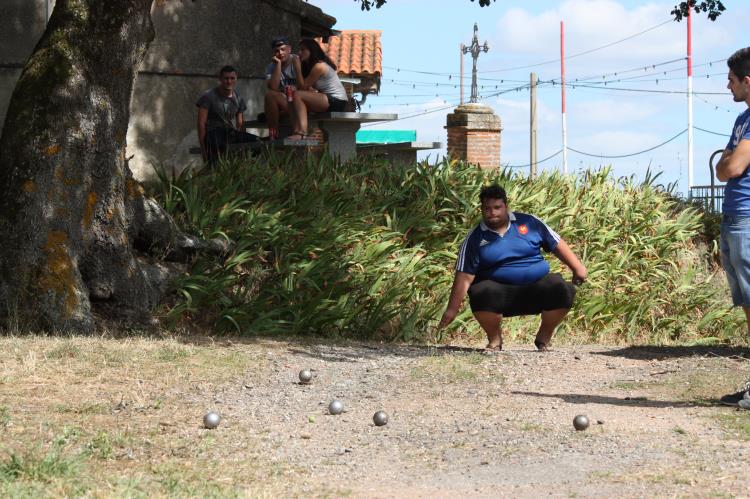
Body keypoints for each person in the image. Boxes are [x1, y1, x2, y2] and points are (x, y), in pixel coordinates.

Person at [438, 184, 588, 353]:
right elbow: (464, 277)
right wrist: (451, 310)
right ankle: (495, 339)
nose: (492, 212)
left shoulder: (529, 222)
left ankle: (544, 337)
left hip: (536, 286)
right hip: (499, 292)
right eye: (487, 208)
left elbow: (557, 244)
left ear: (506, 207)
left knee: (562, 288)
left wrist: (577, 267)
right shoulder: (474, 238)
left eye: (497, 207)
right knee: (480, 292)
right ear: (481, 209)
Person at [715, 47, 750, 409]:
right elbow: (722, 167)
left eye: (731, 79)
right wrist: (729, 161)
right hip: (734, 218)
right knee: (747, 303)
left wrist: (729, 160)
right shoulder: (743, 119)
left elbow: (732, 167)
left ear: (747, 81)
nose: (728, 85)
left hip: (747, 219)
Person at [287, 38, 350, 140]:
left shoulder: (319, 66)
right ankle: (296, 130)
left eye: (303, 50)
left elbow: (303, 88)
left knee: (297, 94)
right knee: (291, 97)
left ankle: (302, 133)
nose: (299, 53)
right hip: (328, 99)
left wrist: (297, 68)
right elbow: (305, 88)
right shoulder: (310, 67)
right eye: (299, 50)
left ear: (311, 51)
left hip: (336, 101)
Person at [196, 65, 257, 164]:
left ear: (236, 79)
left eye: (232, 78)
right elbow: (201, 124)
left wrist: (242, 139)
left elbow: (240, 123)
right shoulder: (208, 96)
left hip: (229, 132)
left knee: (258, 142)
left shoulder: (238, 98)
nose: (229, 81)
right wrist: (203, 148)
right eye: (226, 78)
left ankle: (246, 169)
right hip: (213, 133)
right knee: (218, 147)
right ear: (220, 79)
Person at [264, 36, 303, 140]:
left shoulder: (297, 61)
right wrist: (278, 65)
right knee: (269, 95)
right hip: (285, 101)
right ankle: (273, 134)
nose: (280, 53)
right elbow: (273, 88)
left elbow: (305, 85)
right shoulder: (271, 67)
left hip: (300, 101)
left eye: (283, 49)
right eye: (277, 51)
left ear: (289, 49)